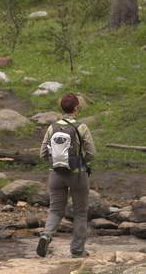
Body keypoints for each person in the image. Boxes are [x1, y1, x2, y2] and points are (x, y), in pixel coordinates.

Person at [37, 93, 96, 258]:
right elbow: (92, 154)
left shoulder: (52, 128)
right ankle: (77, 251)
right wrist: (80, 162)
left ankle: (46, 235)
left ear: (62, 109)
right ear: (76, 108)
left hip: (55, 175)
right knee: (80, 213)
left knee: (55, 210)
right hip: (77, 176)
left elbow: (42, 155)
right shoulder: (81, 127)